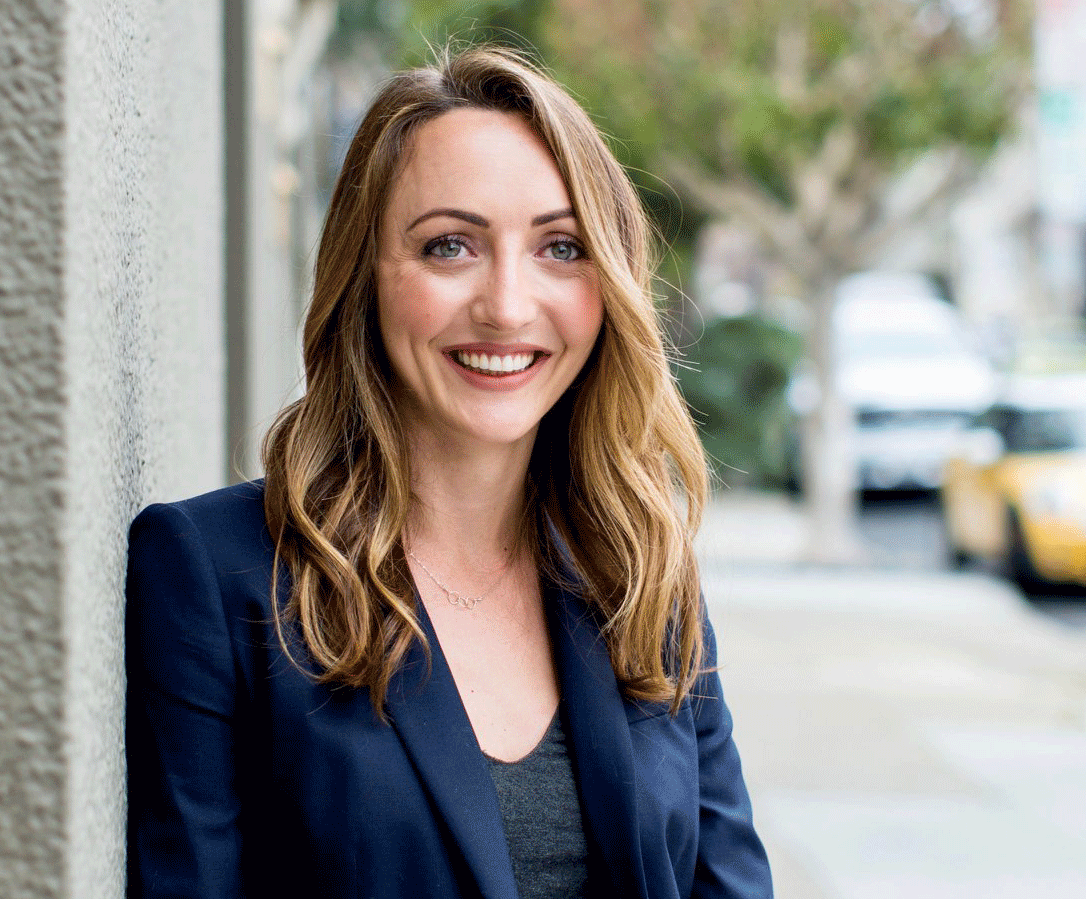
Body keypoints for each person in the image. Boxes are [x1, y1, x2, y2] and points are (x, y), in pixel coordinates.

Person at [125, 46, 772, 899]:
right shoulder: (216, 575)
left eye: (561, 247)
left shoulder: (642, 575)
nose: (506, 305)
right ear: (366, 279)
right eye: (450, 246)